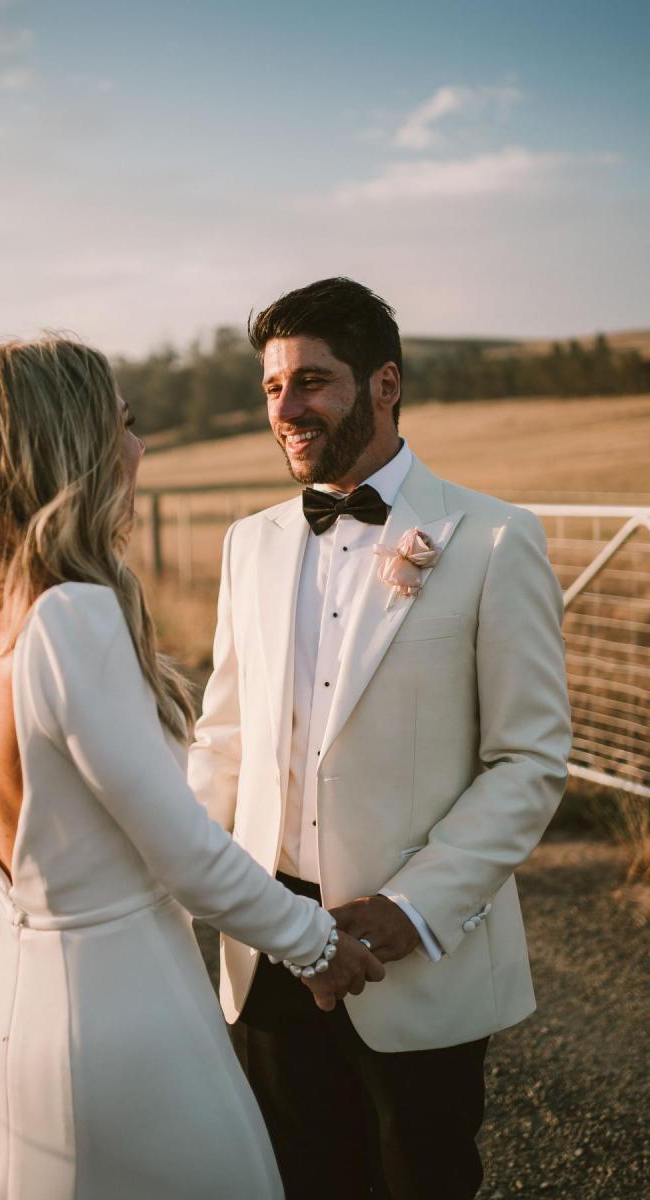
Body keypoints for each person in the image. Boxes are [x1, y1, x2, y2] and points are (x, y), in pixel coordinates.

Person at [0, 335, 383, 1200]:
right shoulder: (70, 615)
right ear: (74, 445)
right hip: (123, 1018)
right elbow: (182, 851)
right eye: (124, 424)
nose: (138, 448)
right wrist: (317, 943)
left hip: (17, 1010)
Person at [188, 277, 572, 1199]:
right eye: (274, 387)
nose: (287, 408)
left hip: (417, 954)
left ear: (384, 384)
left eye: (312, 381)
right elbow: (226, 735)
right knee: (297, 1178)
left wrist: (416, 904)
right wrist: (182, 875)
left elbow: (528, 760)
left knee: (422, 1179)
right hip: (269, 941)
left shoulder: (492, 540)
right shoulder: (251, 543)